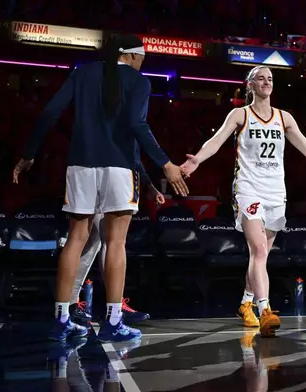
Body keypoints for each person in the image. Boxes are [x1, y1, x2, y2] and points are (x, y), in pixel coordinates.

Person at [13, 35, 188, 344]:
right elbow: (137, 124)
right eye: (142, 57)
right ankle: (113, 320)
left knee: (75, 239)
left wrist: (28, 154)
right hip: (119, 168)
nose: (143, 62)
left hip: (80, 165)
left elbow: (49, 114)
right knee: (115, 242)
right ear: (131, 56)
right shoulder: (139, 82)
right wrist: (165, 163)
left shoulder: (82, 73)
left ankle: (61, 319)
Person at [180, 65, 306, 336]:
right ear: (250, 85)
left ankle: (245, 303)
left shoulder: (283, 118)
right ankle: (265, 310)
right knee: (259, 251)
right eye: (261, 78)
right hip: (248, 188)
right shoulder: (240, 114)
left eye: (270, 79)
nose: (266, 82)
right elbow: (216, 141)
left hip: (276, 192)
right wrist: (197, 159)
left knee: (261, 255)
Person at [69, 166, 165, 325]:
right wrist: (163, 167)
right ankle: (114, 309)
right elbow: (136, 149)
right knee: (108, 240)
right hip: (108, 176)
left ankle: (69, 306)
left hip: (87, 174)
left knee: (91, 241)